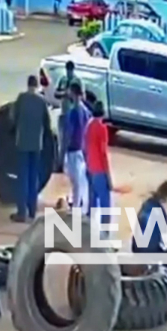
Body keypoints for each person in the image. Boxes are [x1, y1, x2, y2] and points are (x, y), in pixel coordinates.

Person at [9, 75, 51, 223]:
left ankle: (21, 212)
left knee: (23, 178)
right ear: (37, 85)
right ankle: (32, 211)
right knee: (34, 177)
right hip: (36, 145)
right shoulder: (41, 101)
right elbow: (47, 124)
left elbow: (12, 119)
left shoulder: (21, 99)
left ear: (27, 85)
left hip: (22, 143)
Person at [85, 101, 112, 237]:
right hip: (100, 171)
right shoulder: (102, 129)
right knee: (106, 205)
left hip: (90, 168)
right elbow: (103, 153)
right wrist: (109, 176)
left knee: (92, 203)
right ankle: (104, 235)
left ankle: (87, 230)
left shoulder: (89, 126)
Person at [65, 82, 91, 212]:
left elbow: (69, 131)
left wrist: (63, 147)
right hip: (82, 148)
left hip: (73, 148)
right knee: (79, 178)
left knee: (74, 179)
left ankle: (76, 205)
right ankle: (78, 201)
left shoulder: (73, 111)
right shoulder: (86, 111)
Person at [55, 61, 84, 170]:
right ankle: (60, 165)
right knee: (62, 140)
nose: (69, 73)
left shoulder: (77, 81)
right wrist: (64, 94)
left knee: (73, 140)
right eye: (67, 70)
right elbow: (56, 93)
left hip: (72, 113)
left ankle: (73, 165)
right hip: (63, 111)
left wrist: (71, 95)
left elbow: (81, 96)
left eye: (70, 70)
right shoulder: (62, 79)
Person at [131, 181, 167, 254]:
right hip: (149, 251)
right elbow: (163, 240)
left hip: (135, 247)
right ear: (166, 199)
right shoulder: (163, 213)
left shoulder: (146, 204)